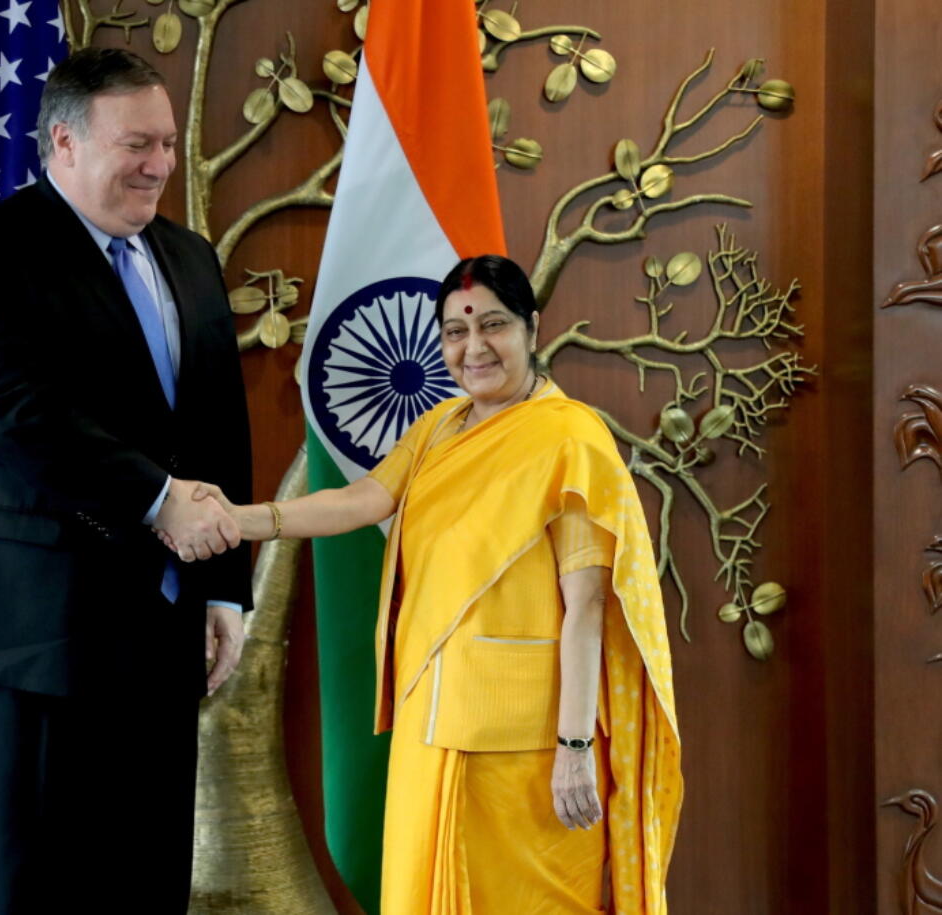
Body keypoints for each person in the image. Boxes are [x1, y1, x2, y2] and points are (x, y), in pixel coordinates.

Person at [175, 255, 683, 913]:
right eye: (454, 332)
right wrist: (245, 520)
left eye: (493, 326)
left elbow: (587, 608)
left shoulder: (570, 439)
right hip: (429, 723)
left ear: (532, 327)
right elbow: (360, 499)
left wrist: (576, 746)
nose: (474, 349)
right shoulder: (440, 426)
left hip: (525, 747)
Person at [0, 48, 252, 913]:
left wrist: (224, 590)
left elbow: (216, 427)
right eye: (137, 143)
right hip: (26, 639)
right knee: (24, 897)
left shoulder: (189, 257)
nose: (160, 165)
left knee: (143, 888)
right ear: (62, 143)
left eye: (170, 144)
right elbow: (10, 414)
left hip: (158, 633)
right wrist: (158, 497)